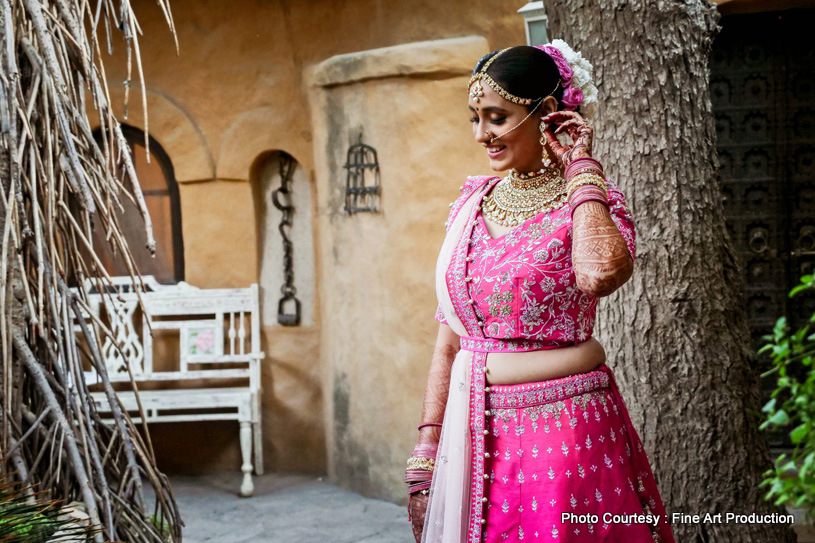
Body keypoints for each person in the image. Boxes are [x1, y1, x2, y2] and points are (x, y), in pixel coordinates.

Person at [404, 42, 676, 543]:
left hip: (565, 432)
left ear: (547, 113)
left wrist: (580, 168)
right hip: (474, 435)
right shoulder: (472, 203)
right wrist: (427, 447)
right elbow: (450, 335)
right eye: (475, 118)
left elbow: (600, 275)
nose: (481, 134)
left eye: (496, 117)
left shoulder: (588, 201)